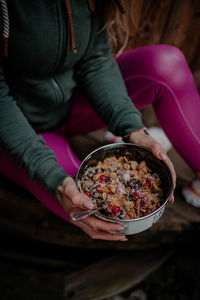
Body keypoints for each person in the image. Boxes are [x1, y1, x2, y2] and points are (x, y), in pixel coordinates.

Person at [1, 0, 198, 242]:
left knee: (167, 63)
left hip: (71, 103)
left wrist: (132, 128)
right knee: (91, 201)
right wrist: (54, 179)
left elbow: (94, 59)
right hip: (15, 133)